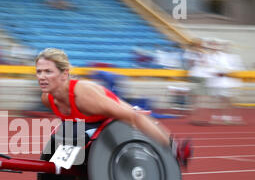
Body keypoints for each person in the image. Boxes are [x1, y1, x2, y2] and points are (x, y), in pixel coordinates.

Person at [35, 48, 192, 167]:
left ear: (64, 74)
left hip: (106, 108)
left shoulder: (83, 95)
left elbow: (131, 117)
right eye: (39, 71)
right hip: (84, 119)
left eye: (48, 71)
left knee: (136, 116)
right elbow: (69, 125)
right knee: (67, 137)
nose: (41, 76)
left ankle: (176, 149)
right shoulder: (47, 98)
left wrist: (133, 113)